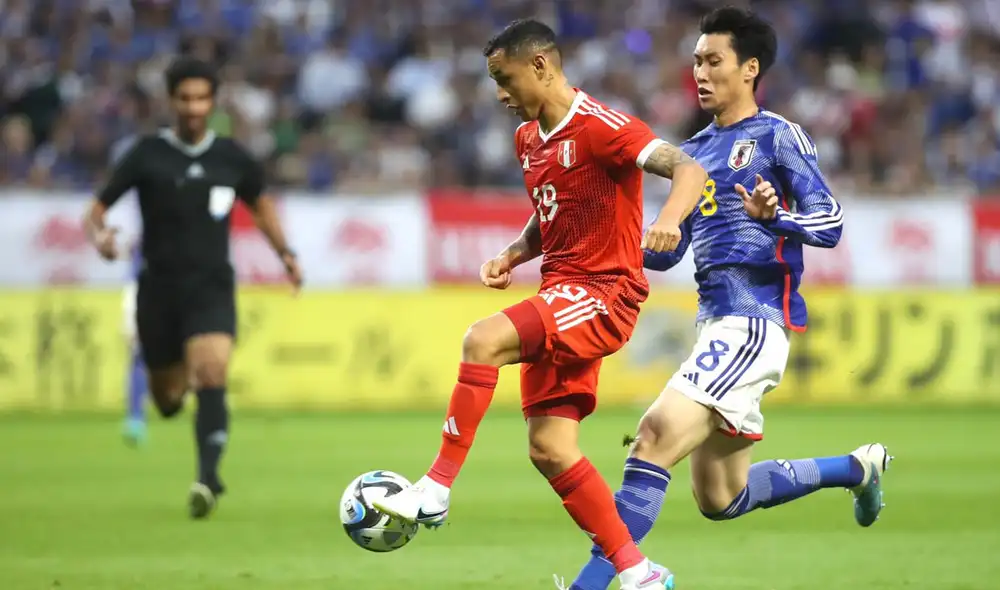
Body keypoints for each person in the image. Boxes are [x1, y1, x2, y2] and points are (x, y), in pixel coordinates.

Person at [557, 8, 891, 590]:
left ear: (750, 69)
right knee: (721, 498)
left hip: (756, 322)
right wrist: (622, 243)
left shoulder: (777, 135)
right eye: (695, 62)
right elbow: (669, 251)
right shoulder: (694, 153)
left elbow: (831, 221)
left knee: (655, 436)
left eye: (714, 61)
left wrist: (776, 217)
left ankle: (595, 584)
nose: (700, 73)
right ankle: (856, 468)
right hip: (716, 325)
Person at [373, 19, 707, 590]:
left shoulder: (604, 126)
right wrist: (514, 251)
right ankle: (638, 572)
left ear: (540, 67)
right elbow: (555, 208)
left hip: (605, 293)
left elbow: (689, 167)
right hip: (562, 291)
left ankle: (435, 487)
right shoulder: (529, 139)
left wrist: (670, 220)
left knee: (481, 340)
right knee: (551, 449)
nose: (499, 94)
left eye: (504, 80)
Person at [83, 56, 303, 519]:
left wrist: (285, 254)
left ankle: (207, 477)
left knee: (212, 372)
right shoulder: (147, 154)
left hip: (211, 287)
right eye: (185, 98)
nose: (193, 107)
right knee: (166, 400)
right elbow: (96, 210)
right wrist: (100, 237)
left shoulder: (231, 157)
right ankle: (183, 407)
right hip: (158, 291)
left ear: (213, 101)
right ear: (171, 101)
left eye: (202, 97)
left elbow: (261, 207)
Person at [121, 239, 149, 448]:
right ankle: (135, 418)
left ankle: (136, 418)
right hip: (140, 294)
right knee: (139, 357)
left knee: (139, 359)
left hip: (143, 293)